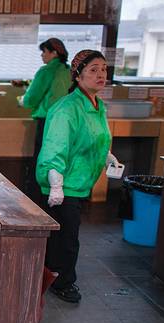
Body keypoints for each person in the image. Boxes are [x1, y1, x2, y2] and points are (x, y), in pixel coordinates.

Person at [36, 49, 120, 303]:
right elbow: (55, 148)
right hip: (64, 184)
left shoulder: (97, 105)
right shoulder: (66, 109)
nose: (101, 74)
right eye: (93, 70)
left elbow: (94, 137)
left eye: (103, 69)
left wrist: (107, 157)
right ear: (77, 75)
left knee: (63, 236)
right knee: (67, 239)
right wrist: (56, 185)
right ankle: (62, 283)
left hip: (80, 182)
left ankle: (48, 275)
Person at [22, 38, 71, 203]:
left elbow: (32, 97)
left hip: (47, 120)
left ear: (54, 52)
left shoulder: (46, 71)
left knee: (43, 156)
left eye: (44, 51)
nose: (42, 55)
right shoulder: (69, 71)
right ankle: (59, 191)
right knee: (59, 155)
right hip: (67, 120)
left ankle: (38, 195)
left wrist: (22, 101)